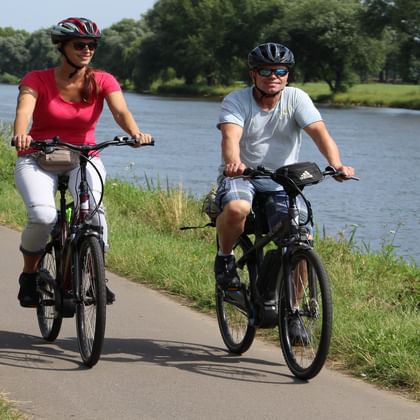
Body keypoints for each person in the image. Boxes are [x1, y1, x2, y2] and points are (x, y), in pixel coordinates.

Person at [213, 42, 355, 337]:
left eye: (281, 71)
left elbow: (320, 134)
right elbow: (231, 138)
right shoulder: (236, 101)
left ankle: (293, 312)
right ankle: (224, 260)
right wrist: (234, 163)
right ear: (253, 74)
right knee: (238, 208)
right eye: (266, 70)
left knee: (301, 240)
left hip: (282, 180)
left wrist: (337, 164)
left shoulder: (296, 98)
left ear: (287, 75)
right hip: (245, 176)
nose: (273, 76)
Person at [13, 17, 153, 307]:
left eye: (92, 45)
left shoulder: (103, 79)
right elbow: (24, 110)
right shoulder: (36, 79)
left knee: (94, 216)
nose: (87, 49)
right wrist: (21, 134)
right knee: (43, 216)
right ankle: (29, 275)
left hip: (84, 157)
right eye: (80, 45)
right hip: (38, 155)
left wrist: (136, 133)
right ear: (62, 47)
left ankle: (96, 277)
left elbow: (120, 112)